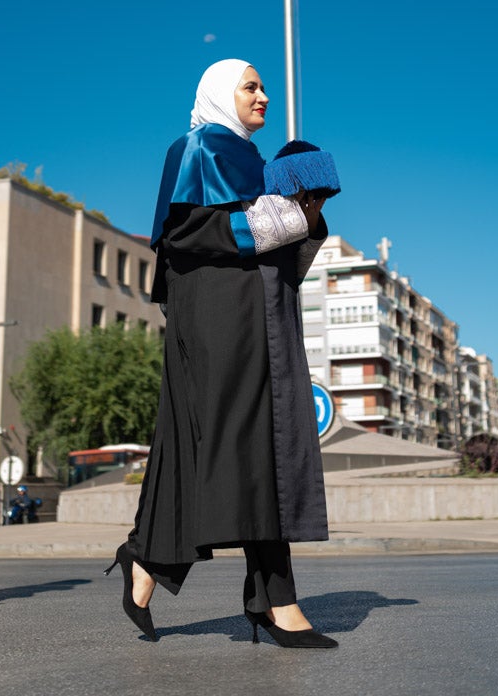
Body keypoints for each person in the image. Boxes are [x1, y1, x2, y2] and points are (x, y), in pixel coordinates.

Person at [106, 59, 340, 649]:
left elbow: (281, 242)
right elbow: (184, 237)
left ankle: (177, 568)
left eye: (264, 86)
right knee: (221, 443)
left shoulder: (259, 164)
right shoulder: (194, 150)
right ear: (218, 94)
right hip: (216, 320)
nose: (264, 95)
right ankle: (260, 596)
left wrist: (307, 214)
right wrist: (278, 220)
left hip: (263, 315)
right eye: (251, 86)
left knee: (252, 443)